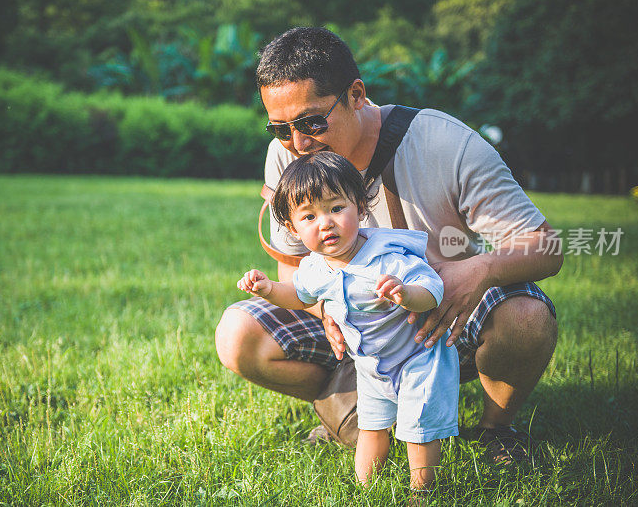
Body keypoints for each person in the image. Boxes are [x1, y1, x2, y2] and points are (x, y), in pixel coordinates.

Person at [215, 27, 562, 464]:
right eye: (281, 128)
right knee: (237, 335)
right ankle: (343, 405)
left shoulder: (445, 144)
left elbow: (546, 246)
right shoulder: (286, 155)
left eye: (312, 122)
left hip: (440, 319)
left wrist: (480, 269)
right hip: (352, 326)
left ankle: (497, 430)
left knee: (526, 316)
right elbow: (293, 263)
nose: (298, 144)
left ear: (356, 94)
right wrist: (324, 312)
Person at [238, 152, 458, 489]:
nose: (325, 223)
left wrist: (406, 294)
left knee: (418, 433)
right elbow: (299, 295)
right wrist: (269, 290)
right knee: (371, 427)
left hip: (417, 359)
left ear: (360, 206)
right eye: (308, 217)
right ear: (293, 228)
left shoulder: (386, 257)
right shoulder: (316, 266)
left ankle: (422, 491)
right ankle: (365, 490)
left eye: (336, 208)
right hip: (371, 367)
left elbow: (433, 288)